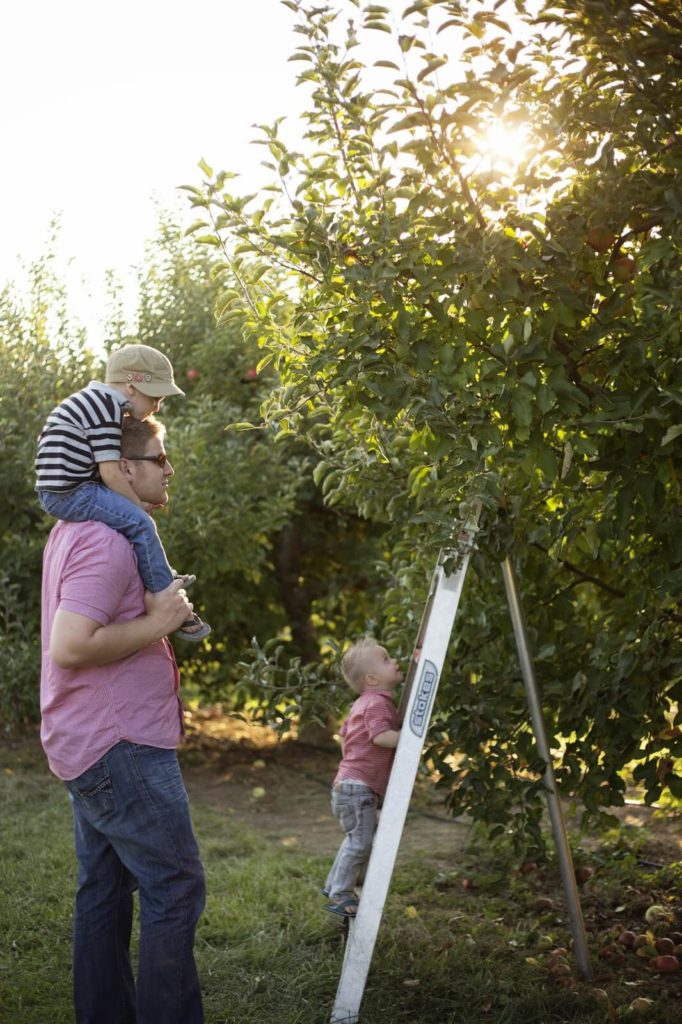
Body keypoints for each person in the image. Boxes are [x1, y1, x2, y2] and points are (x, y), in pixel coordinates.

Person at [40, 415, 206, 1024]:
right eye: (159, 457)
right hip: (120, 745)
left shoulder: (75, 527)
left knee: (105, 892)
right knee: (176, 886)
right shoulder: (108, 540)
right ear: (124, 468)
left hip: (89, 738)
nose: (168, 468)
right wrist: (161, 624)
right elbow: (71, 645)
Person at [35, 341, 210, 641]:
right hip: (71, 492)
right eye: (155, 396)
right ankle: (163, 593)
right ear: (131, 387)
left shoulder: (91, 400)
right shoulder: (107, 408)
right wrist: (136, 506)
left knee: (135, 519)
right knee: (141, 524)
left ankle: (161, 575)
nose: (157, 406)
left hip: (64, 487)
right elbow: (110, 471)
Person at [323, 638, 403, 918]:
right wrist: (413, 738)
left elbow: (345, 738)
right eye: (386, 659)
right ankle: (341, 894)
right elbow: (381, 737)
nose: (394, 661)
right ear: (372, 678)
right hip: (358, 790)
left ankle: (334, 884)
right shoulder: (378, 703)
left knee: (355, 840)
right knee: (359, 843)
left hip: (348, 785)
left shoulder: (361, 703)